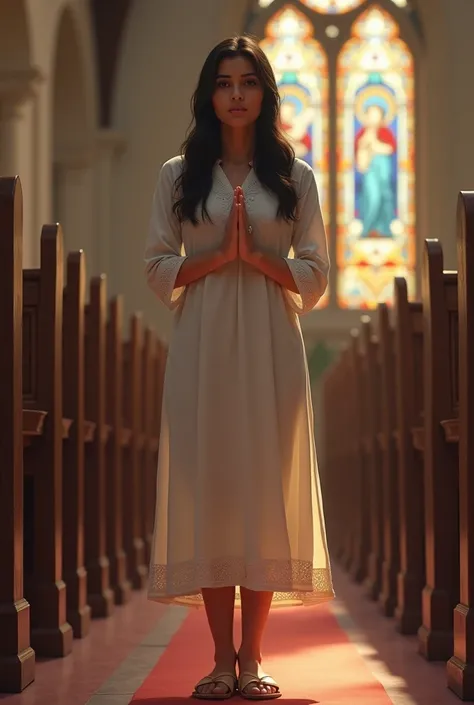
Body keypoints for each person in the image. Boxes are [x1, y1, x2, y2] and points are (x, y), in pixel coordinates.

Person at [144, 35, 335, 701]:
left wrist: (258, 258)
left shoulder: (294, 178)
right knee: (213, 492)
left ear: (264, 93)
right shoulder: (178, 175)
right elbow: (155, 265)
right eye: (223, 83)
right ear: (208, 94)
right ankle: (219, 657)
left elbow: (317, 275)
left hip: (270, 345)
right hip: (202, 344)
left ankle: (253, 657)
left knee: (259, 491)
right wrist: (214, 258)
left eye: (247, 82)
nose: (235, 94)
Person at [355, 101, 397, 238]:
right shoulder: (363, 133)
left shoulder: (386, 132)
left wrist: (375, 145)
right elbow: (360, 158)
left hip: (383, 174)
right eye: (370, 115)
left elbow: (390, 149)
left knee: (385, 197)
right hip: (370, 174)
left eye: (376, 115)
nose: (373, 118)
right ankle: (367, 228)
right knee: (372, 197)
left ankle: (384, 229)